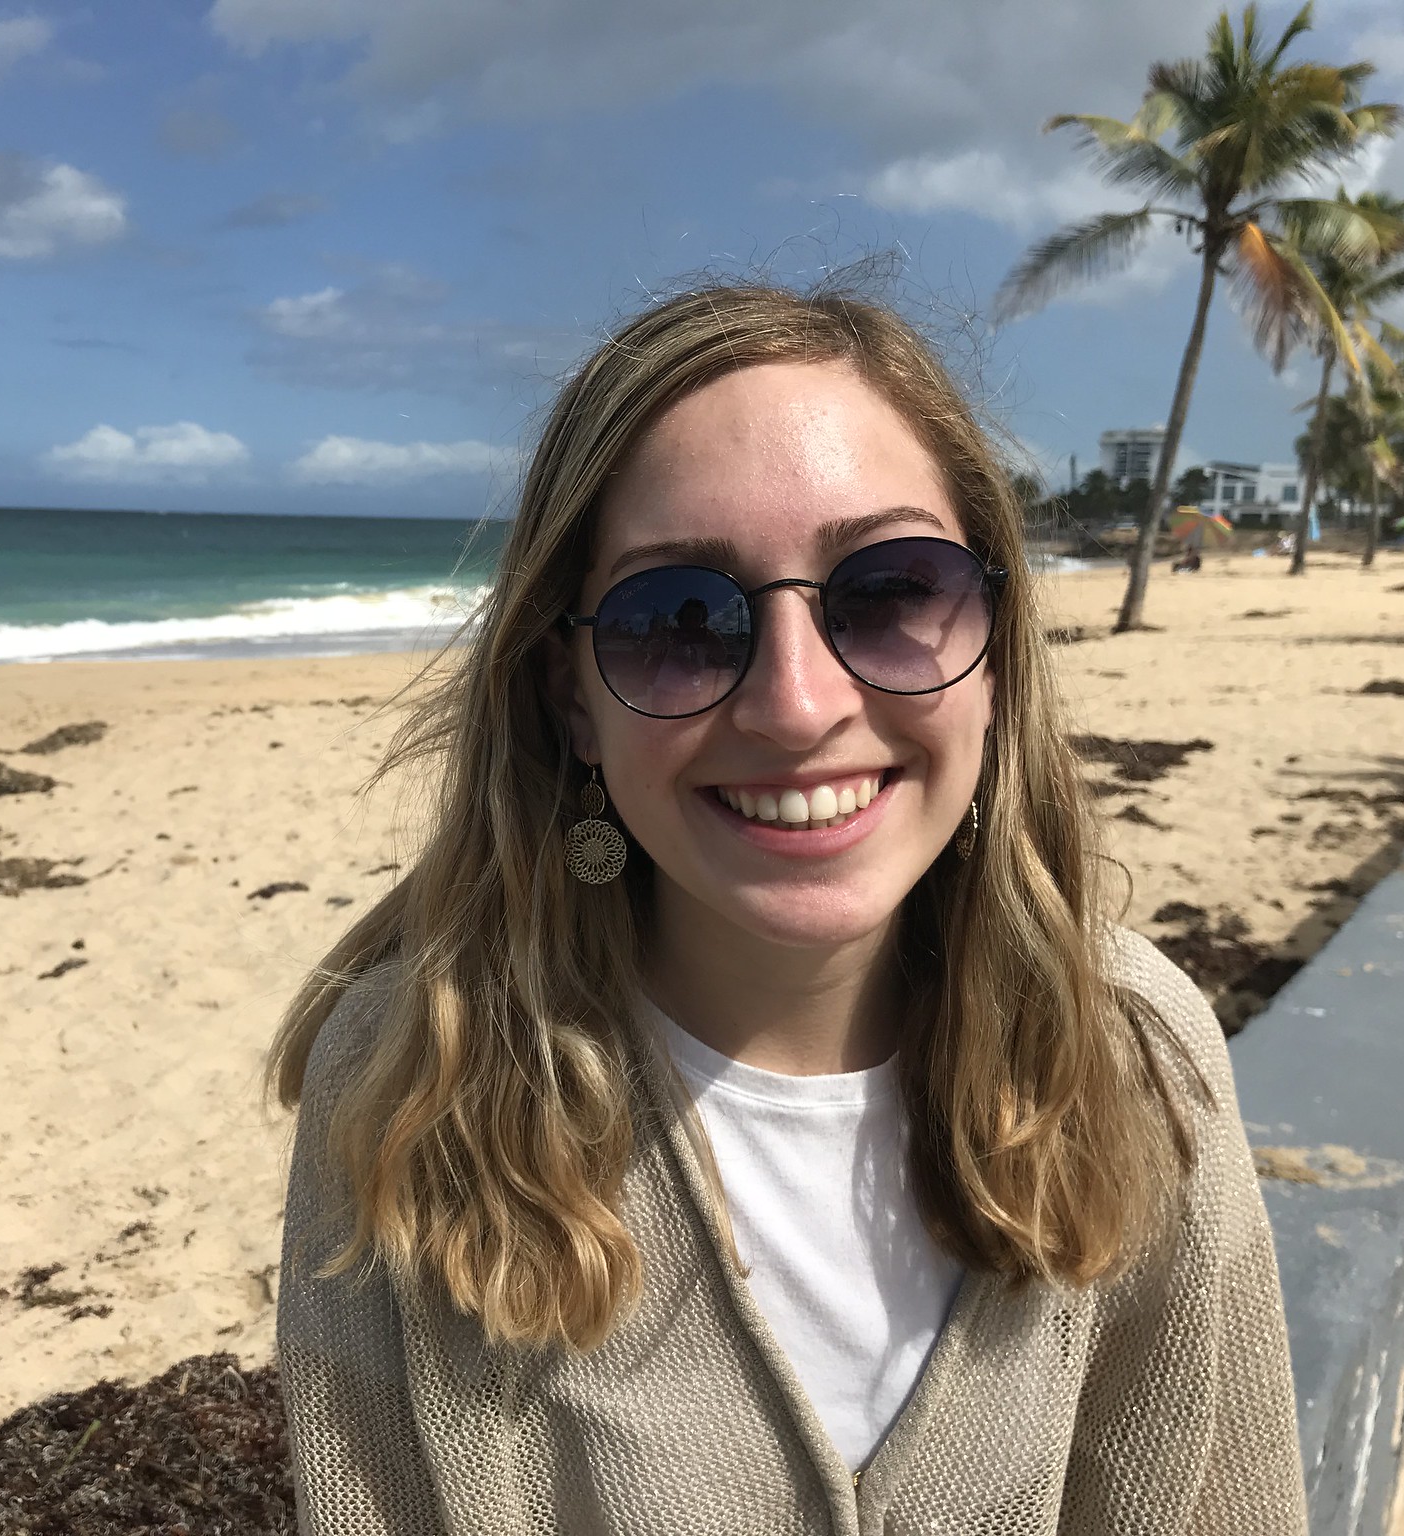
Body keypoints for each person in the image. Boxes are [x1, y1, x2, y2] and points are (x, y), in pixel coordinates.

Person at [268, 283, 1306, 1533]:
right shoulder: (409, 1087)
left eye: (888, 591)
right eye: (679, 620)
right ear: (569, 698)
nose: (797, 705)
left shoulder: (1134, 1058)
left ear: (993, 645)